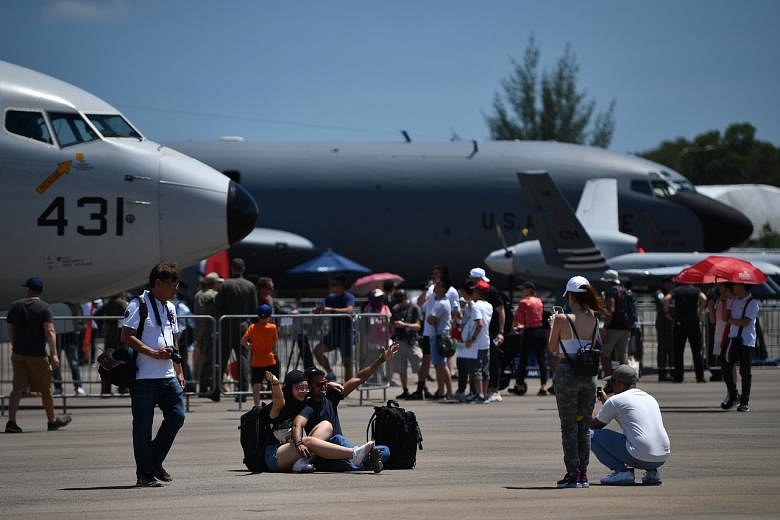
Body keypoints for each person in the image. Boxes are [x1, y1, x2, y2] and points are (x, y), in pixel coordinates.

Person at [120, 262, 186, 487]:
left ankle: (153, 462)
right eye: (173, 285)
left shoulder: (171, 307)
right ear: (158, 283)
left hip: (168, 375)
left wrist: (179, 370)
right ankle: (144, 474)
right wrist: (152, 352)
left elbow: (174, 339)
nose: (176, 290)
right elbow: (126, 335)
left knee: (177, 416)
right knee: (142, 427)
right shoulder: (138, 304)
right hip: (143, 377)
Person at [292, 343, 400, 472]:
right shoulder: (308, 406)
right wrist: (299, 443)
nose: (323, 386)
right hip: (325, 452)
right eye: (319, 384)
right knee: (337, 438)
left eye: (325, 382)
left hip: (342, 450)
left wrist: (381, 360)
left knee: (385, 450)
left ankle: (357, 461)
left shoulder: (332, 396)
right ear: (309, 387)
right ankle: (358, 459)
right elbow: (297, 424)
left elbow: (359, 378)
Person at [548, 275, 604, 488]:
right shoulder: (594, 318)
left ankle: (572, 473)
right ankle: (583, 473)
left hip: (567, 374)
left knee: (569, 425)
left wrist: (553, 324)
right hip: (588, 375)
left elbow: (553, 349)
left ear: (570, 295)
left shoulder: (563, 319)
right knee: (584, 425)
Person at [263, 370, 377, 473]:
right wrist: (275, 383)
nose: (303, 391)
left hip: (294, 453)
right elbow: (278, 398)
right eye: (299, 387)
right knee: (306, 441)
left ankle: (301, 463)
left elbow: (315, 389)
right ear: (289, 388)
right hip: (275, 456)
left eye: (305, 387)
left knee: (326, 425)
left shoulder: (302, 403)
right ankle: (354, 454)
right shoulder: (279, 407)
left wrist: (326, 385)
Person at [5, 277, 72, 433]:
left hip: (18, 354)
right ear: (40, 291)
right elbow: (49, 331)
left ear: (28, 290)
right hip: (37, 354)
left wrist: (14, 343)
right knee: (46, 389)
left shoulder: (15, 306)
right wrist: (54, 354)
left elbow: (10, 328)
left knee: (17, 389)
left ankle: (11, 422)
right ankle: (51, 420)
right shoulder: (44, 307)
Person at [591, 365, 670, 485]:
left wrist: (587, 405)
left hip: (640, 456)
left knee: (588, 435)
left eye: (612, 383)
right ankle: (652, 473)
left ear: (618, 382)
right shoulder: (649, 398)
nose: (611, 387)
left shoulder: (616, 400)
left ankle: (622, 472)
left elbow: (594, 426)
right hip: (661, 457)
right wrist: (607, 402)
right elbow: (626, 411)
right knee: (641, 435)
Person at [411, 265, 461, 399]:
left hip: (441, 333)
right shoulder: (432, 289)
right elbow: (420, 303)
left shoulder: (451, 292)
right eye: (433, 274)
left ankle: (445, 390)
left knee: (443, 362)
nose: (433, 277)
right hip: (429, 332)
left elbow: (455, 311)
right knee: (431, 362)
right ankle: (427, 389)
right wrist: (427, 288)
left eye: (436, 274)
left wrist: (453, 329)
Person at [213, 258, 258, 402]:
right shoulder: (250, 286)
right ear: (243, 268)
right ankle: (243, 391)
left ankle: (216, 390)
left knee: (221, 358)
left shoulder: (226, 284)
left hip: (226, 324)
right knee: (243, 359)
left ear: (232, 268)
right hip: (244, 324)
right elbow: (254, 308)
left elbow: (217, 303)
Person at [467, 267, 506, 403]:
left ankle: (495, 390)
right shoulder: (479, 295)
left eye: (472, 278)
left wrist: (501, 332)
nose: (470, 281)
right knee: (483, 363)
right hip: (485, 331)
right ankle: (481, 391)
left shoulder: (492, 292)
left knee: (492, 361)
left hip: (492, 330)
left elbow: (501, 311)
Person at [721, 283, 760, 412]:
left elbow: (746, 321)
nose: (733, 287)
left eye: (736, 285)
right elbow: (725, 317)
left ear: (743, 286)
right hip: (733, 338)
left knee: (745, 372)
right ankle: (733, 394)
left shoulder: (752, 302)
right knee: (726, 368)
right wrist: (725, 300)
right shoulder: (733, 300)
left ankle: (744, 401)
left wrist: (731, 320)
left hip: (746, 341)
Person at [313, 275, 356, 381]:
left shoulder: (348, 296)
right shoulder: (330, 298)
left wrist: (331, 309)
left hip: (346, 333)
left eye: (333, 285)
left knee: (347, 363)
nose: (331, 287)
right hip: (334, 333)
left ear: (341, 286)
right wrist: (317, 310)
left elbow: (349, 310)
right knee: (317, 350)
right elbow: (322, 308)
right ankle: (330, 373)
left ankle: (347, 388)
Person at [664, 282, 707, 383]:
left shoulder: (677, 290)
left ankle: (678, 376)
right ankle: (700, 376)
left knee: (678, 351)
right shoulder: (695, 290)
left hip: (680, 322)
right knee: (697, 351)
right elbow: (704, 298)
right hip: (693, 322)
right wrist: (700, 311)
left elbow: (666, 299)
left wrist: (667, 312)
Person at [511, 281, 547, 396]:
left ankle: (520, 384)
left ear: (529, 290)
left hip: (529, 331)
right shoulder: (539, 301)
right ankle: (543, 386)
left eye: (523, 289)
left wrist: (515, 326)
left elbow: (518, 319)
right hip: (540, 331)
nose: (522, 291)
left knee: (523, 359)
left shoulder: (524, 302)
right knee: (541, 359)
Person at [241, 304, 279, 407]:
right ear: (269, 316)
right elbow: (275, 342)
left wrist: (250, 346)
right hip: (270, 359)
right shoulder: (272, 327)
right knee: (273, 384)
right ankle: (275, 404)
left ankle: (257, 405)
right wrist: (274, 350)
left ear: (258, 316)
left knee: (256, 385)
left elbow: (243, 341)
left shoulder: (253, 327)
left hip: (257, 361)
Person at [600, 269, 631, 389]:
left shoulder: (611, 292)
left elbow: (611, 310)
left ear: (609, 282)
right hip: (626, 327)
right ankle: (627, 382)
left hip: (614, 328)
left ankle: (610, 382)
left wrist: (605, 327)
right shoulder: (625, 291)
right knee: (622, 356)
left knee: (604, 355)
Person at [390, 290, 422, 399]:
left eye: (400, 301)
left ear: (405, 298)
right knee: (401, 368)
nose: (399, 303)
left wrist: (404, 325)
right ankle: (405, 390)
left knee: (418, 366)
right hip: (400, 341)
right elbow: (392, 325)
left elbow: (418, 326)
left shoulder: (414, 308)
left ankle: (422, 389)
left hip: (412, 341)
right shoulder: (396, 309)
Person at [95, 293, 129, 396]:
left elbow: (97, 314)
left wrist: (103, 325)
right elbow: (129, 316)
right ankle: (123, 387)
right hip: (120, 336)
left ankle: (106, 389)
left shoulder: (108, 304)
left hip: (110, 335)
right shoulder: (123, 303)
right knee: (122, 360)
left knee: (107, 362)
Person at [193, 272, 222, 396]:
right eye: (218, 282)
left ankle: (205, 385)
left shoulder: (199, 295)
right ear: (214, 283)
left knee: (205, 358)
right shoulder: (213, 295)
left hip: (201, 330)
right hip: (210, 331)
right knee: (210, 359)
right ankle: (205, 387)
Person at [425, 281, 454, 399]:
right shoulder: (443, 302)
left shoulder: (441, 303)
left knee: (440, 365)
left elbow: (430, 319)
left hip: (439, 337)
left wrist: (429, 317)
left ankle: (442, 391)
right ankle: (447, 391)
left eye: (437, 286)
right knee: (442, 364)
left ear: (443, 288)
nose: (434, 288)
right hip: (441, 335)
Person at [50, 301, 85, 396]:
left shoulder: (72, 303)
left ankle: (78, 386)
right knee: (56, 363)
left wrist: (79, 326)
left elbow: (79, 314)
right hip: (57, 335)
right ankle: (58, 388)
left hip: (70, 335)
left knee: (73, 362)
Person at [654, 278, 675, 381]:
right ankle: (662, 373)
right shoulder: (660, 293)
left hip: (671, 323)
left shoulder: (673, 293)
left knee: (672, 349)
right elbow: (662, 301)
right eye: (669, 283)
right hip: (662, 324)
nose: (671, 285)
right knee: (662, 348)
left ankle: (672, 371)